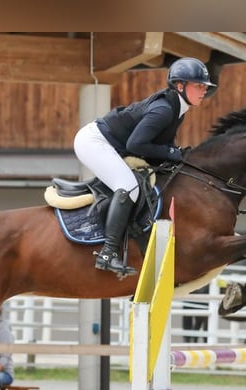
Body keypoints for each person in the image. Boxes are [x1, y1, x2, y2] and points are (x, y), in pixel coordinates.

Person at [73, 57, 216, 276]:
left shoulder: (177, 107)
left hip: (111, 144)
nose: (203, 90)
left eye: (204, 86)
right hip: (94, 142)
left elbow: (156, 146)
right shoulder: (164, 110)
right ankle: (108, 252)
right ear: (180, 85)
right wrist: (174, 153)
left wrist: (176, 156)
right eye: (198, 85)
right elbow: (136, 144)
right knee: (129, 186)